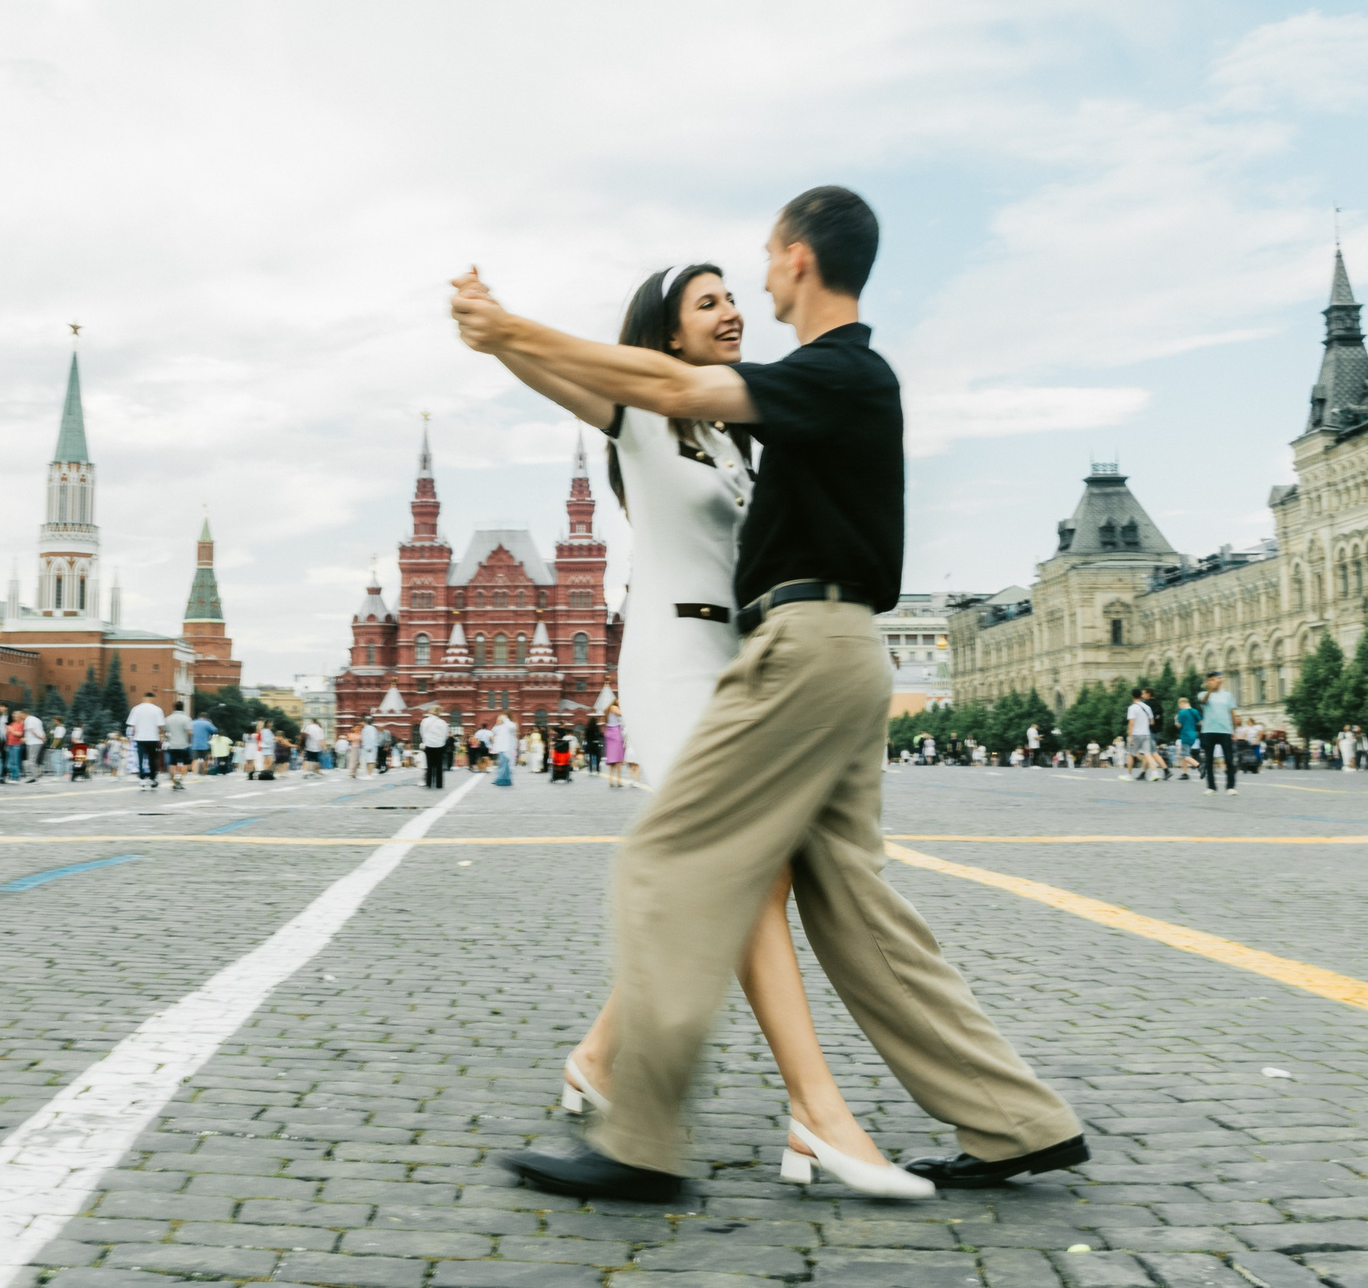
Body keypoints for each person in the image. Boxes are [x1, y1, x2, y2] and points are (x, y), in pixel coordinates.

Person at [459, 192, 1080, 1204]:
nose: (748, 290)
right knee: (851, 902)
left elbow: (671, 380)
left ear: (797, 258)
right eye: (710, 295)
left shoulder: (826, 374)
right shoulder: (814, 388)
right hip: (786, 647)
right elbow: (635, 390)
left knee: (678, 857)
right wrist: (502, 341)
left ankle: (642, 1136)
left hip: (797, 645)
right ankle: (1017, 1119)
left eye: (756, 266)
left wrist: (510, 324)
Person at [1198, 674, 1239, 795]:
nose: (1214, 682)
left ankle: (1230, 787)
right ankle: (1211, 787)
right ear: (1208, 682)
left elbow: (1232, 712)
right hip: (1208, 730)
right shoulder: (1203, 694)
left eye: (1216, 679)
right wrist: (1210, 689)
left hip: (1225, 730)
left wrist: (1234, 730)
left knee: (1229, 759)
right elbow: (1203, 701)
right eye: (1211, 680)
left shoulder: (1227, 695)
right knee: (1209, 760)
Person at [127, 694, 166, 791]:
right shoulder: (157, 709)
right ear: (152, 698)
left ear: (143, 698)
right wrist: (161, 737)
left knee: (140, 759)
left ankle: (142, 779)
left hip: (140, 738)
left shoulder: (136, 709)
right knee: (153, 759)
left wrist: (134, 736)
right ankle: (152, 779)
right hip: (153, 738)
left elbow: (132, 725)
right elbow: (160, 726)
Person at [163, 706, 193, 790]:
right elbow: (189, 732)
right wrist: (190, 741)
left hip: (172, 745)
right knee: (186, 763)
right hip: (184, 745)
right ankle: (180, 778)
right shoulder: (187, 719)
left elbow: (165, 731)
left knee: (172, 764)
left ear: (174, 708)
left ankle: (174, 782)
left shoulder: (168, 719)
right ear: (183, 708)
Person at [420, 708, 451, 789]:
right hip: (439, 745)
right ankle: (439, 784)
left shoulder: (424, 721)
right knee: (439, 765)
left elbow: (422, 733)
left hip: (428, 745)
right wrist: (442, 742)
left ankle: (429, 783)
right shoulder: (443, 722)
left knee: (429, 765)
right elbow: (446, 734)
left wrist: (425, 741)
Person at [602, 708, 629, 789]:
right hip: (616, 733)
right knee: (618, 763)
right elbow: (622, 715)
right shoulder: (614, 709)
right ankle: (618, 782)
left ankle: (610, 781)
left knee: (612, 763)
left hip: (610, 733)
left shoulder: (607, 714)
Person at [489, 712, 516, 788]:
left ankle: (502, 780)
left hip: (506, 749)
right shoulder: (500, 727)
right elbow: (493, 730)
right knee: (502, 765)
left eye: (499, 719)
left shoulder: (509, 725)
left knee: (504, 765)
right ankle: (503, 780)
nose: (498, 720)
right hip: (501, 749)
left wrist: (505, 719)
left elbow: (512, 727)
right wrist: (498, 723)